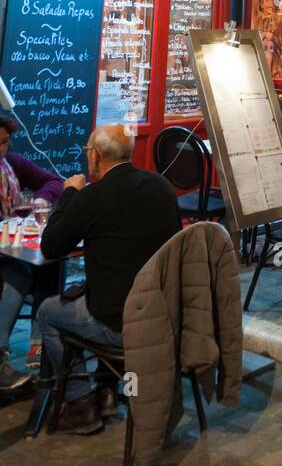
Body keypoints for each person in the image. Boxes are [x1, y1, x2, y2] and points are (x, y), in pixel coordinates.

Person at [37, 125, 181, 434]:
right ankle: (106, 393)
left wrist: (69, 194)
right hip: (163, 314)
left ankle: (80, 404)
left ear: (96, 156)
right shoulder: (161, 186)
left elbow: (51, 245)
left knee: (48, 312)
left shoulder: (93, 196)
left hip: (120, 324)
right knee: (110, 292)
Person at [0, 114, 64, 392]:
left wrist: (40, 198)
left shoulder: (11, 164)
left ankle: (38, 350)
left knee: (49, 265)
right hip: (7, 253)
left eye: (6, 142)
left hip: (8, 246)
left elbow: (53, 181)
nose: (3, 148)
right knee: (20, 273)